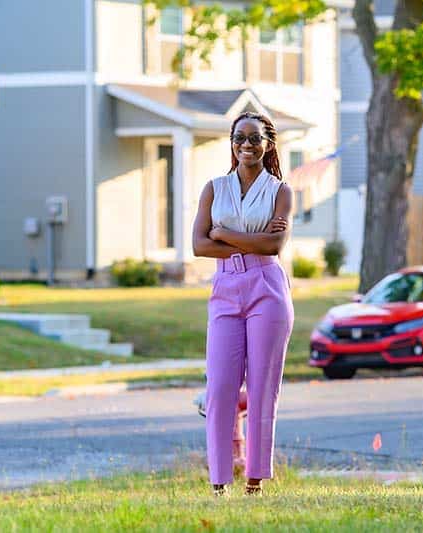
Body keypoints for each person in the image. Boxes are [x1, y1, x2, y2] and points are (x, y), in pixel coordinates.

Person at [192, 111, 294, 496]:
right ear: (231, 143)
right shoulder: (214, 188)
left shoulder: (280, 191)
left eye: (254, 139)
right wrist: (240, 239)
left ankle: (255, 480)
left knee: (263, 386)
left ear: (267, 143)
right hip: (225, 287)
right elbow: (200, 245)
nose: (246, 145)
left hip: (267, 287)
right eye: (239, 139)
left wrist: (223, 233)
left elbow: (273, 246)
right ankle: (219, 481)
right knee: (219, 387)